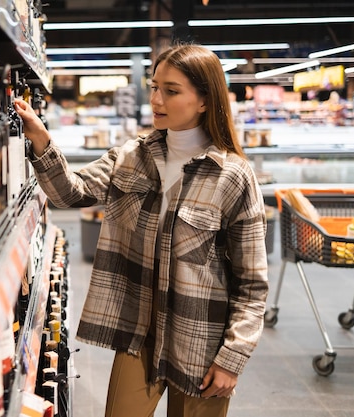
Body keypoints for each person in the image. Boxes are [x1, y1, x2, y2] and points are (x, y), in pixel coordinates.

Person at [14, 43, 269, 417]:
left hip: (201, 337)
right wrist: (40, 138)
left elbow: (252, 283)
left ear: (203, 100)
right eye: (154, 87)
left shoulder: (233, 177)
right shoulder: (132, 156)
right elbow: (70, 192)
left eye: (171, 90)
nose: (156, 100)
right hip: (139, 333)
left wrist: (233, 356)